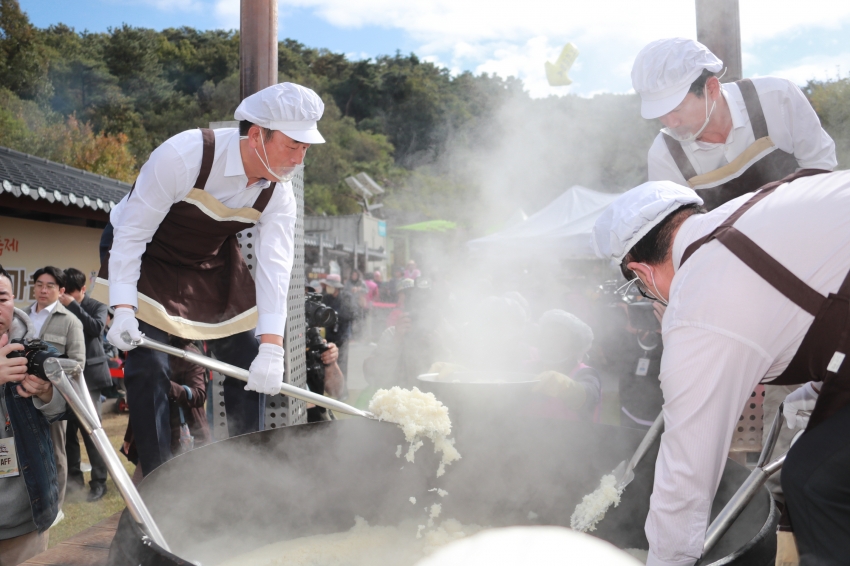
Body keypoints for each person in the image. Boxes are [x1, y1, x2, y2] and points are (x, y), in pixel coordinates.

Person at [591, 169, 850, 566]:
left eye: (641, 290)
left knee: (816, 480)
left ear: (641, 271)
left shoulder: (699, 307)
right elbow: (818, 298)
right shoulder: (753, 212)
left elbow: (685, 479)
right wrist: (815, 391)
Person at [92, 82, 325, 476]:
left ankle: (237, 474)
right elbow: (131, 235)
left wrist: (272, 348)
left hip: (209, 260)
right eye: (292, 146)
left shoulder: (279, 195)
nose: (299, 159)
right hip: (148, 256)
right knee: (149, 367)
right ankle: (157, 478)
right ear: (257, 135)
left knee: (249, 359)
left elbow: (275, 267)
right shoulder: (184, 156)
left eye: (305, 149)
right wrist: (123, 310)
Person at [632, 38, 836, 211]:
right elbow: (676, 229)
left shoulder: (777, 98)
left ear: (711, 88)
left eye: (676, 110)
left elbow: (821, 169)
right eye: (661, 115)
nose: (671, 123)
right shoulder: (664, 154)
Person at [0, 265, 66, 565]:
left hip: (25, 519)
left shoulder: (31, 353)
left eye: (1, 298)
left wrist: (45, 393)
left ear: (14, 300)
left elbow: (65, 410)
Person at [27, 266, 85, 515]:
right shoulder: (21, 316)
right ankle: (29, 503)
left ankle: (56, 507)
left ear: (61, 290)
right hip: (20, 394)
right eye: (39, 284)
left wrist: (51, 383)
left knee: (56, 452)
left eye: (50, 286)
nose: (43, 289)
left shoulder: (70, 321)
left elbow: (78, 365)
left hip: (53, 398)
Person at [59, 268, 111, 502]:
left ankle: (99, 482)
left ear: (82, 290)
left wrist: (73, 306)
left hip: (89, 378)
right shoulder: (59, 306)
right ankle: (74, 481)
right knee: (68, 432)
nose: (67, 297)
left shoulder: (96, 306)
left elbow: (95, 329)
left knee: (91, 431)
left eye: (72, 293)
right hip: (65, 377)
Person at [530, 310, 601, 421]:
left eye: (559, 337)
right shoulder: (530, 367)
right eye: (547, 337)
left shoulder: (584, 373)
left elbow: (590, 395)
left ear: (576, 345)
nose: (550, 342)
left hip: (570, 436)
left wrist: (566, 386)